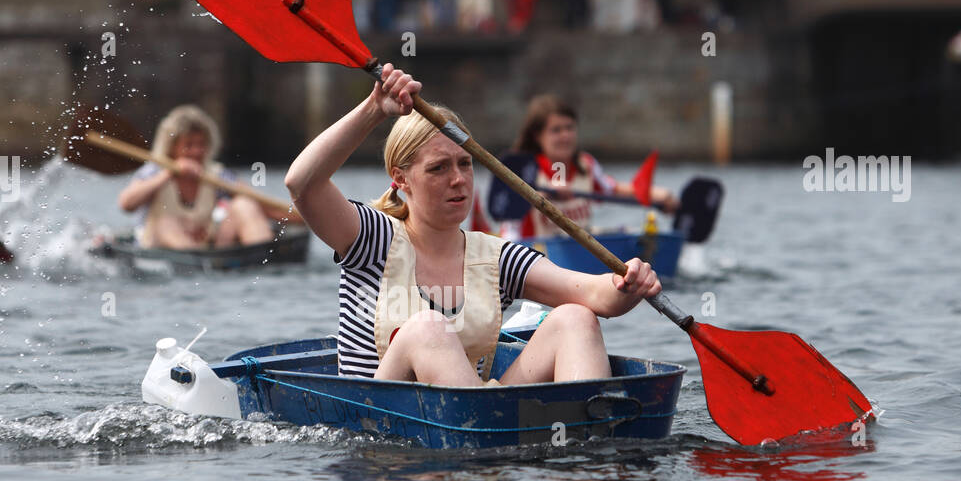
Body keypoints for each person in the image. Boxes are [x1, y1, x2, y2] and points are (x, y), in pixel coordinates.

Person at [283, 64, 661, 387]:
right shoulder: (369, 236)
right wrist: (373, 109)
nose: (459, 179)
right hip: (377, 428)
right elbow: (302, 184)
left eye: (465, 164)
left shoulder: (495, 257)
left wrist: (629, 282)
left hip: (479, 423)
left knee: (575, 317)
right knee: (427, 327)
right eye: (439, 168)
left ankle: (586, 456)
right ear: (400, 179)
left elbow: (597, 296)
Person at [500, 94, 677, 240]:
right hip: (533, 256)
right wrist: (544, 195)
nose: (565, 136)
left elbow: (615, 190)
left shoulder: (587, 165)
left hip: (577, 254)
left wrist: (660, 196)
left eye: (570, 128)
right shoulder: (522, 168)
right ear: (537, 136)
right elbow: (505, 209)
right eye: (556, 130)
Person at [118, 105, 284, 250]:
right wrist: (169, 174)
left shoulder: (215, 173)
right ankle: (191, 258)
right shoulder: (154, 171)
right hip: (158, 242)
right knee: (166, 223)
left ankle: (263, 258)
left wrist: (303, 214)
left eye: (201, 144)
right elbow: (127, 204)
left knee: (245, 204)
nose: (197, 151)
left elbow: (261, 204)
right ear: (172, 147)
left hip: (204, 242)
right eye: (189, 145)